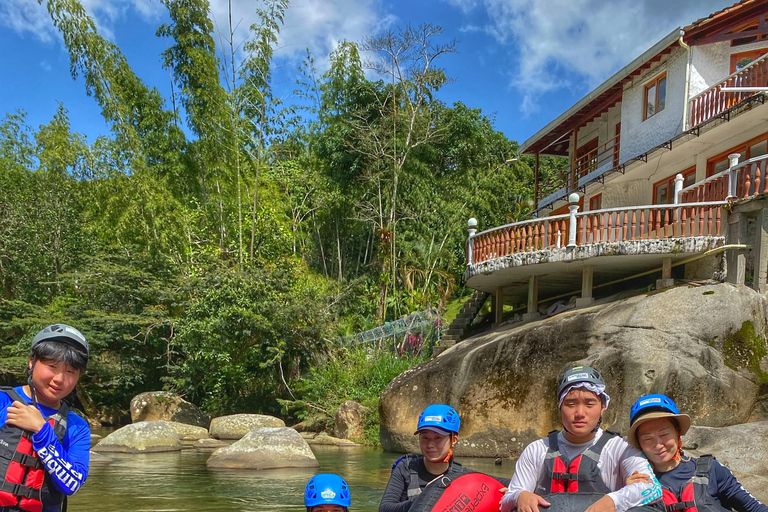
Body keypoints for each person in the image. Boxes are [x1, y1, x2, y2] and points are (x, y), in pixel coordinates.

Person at [501, 366, 662, 512]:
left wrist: (613, 501)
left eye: (589, 404)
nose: (579, 413)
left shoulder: (622, 449)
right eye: (571, 404)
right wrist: (520, 496)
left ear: (602, 407)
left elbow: (653, 489)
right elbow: (508, 497)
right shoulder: (536, 449)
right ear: (559, 407)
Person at [0, 324, 91, 512]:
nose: (60, 379)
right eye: (52, 366)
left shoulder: (77, 427)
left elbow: (72, 484)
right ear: (32, 362)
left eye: (70, 372)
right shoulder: (2, 402)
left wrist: (42, 430)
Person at [626, 394, 767, 512]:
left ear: (677, 433)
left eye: (664, 434)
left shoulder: (711, 469)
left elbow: (754, 508)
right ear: (639, 443)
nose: (658, 444)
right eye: (647, 438)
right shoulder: (637, 483)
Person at [379, 404, 465, 512]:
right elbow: (384, 509)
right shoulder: (405, 467)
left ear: (454, 439)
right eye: (425, 437)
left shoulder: (461, 478)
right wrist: (425, 497)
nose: (430, 444)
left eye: (438, 438)